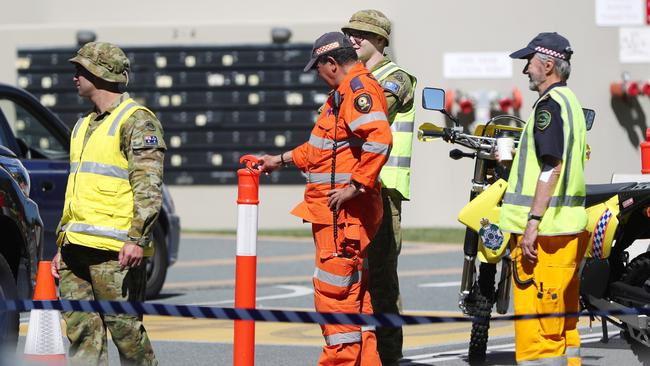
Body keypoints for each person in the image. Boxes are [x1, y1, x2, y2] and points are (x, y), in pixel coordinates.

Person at [257, 32, 392, 366]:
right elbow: (321, 150)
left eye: (317, 67)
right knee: (353, 297)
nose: (317, 75)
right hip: (336, 214)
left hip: (343, 216)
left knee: (335, 298)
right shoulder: (341, 94)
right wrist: (281, 159)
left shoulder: (357, 92)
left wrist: (356, 186)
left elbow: (380, 138)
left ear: (331, 63)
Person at [51, 41, 165, 366]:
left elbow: (148, 185)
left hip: (116, 254)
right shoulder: (83, 125)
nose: (75, 76)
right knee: (82, 337)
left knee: (127, 338)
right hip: (76, 250)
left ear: (101, 73)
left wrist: (136, 239)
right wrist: (63, 242)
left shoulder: (137, 121)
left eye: (81, 69)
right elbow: (77, 191)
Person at [499, 32, 588, 366]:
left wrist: (532, 222)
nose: (525, 70)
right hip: (566, 231)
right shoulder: (572, 103)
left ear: (548, 65)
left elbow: (551, 166)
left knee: (538, 332)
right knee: (562, 325)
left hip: (545, 235)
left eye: (529, 62)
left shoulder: (549, 106)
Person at [341, 10, 417, 365]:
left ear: (381, 41)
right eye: (351, 33)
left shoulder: (396, 79)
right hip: (355, 189)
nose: (353, 39)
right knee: (351, 280)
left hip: (383, 192)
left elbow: (365, 117)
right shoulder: (354, 80)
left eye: (362, 34)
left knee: (382, 282)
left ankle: (390, 357)